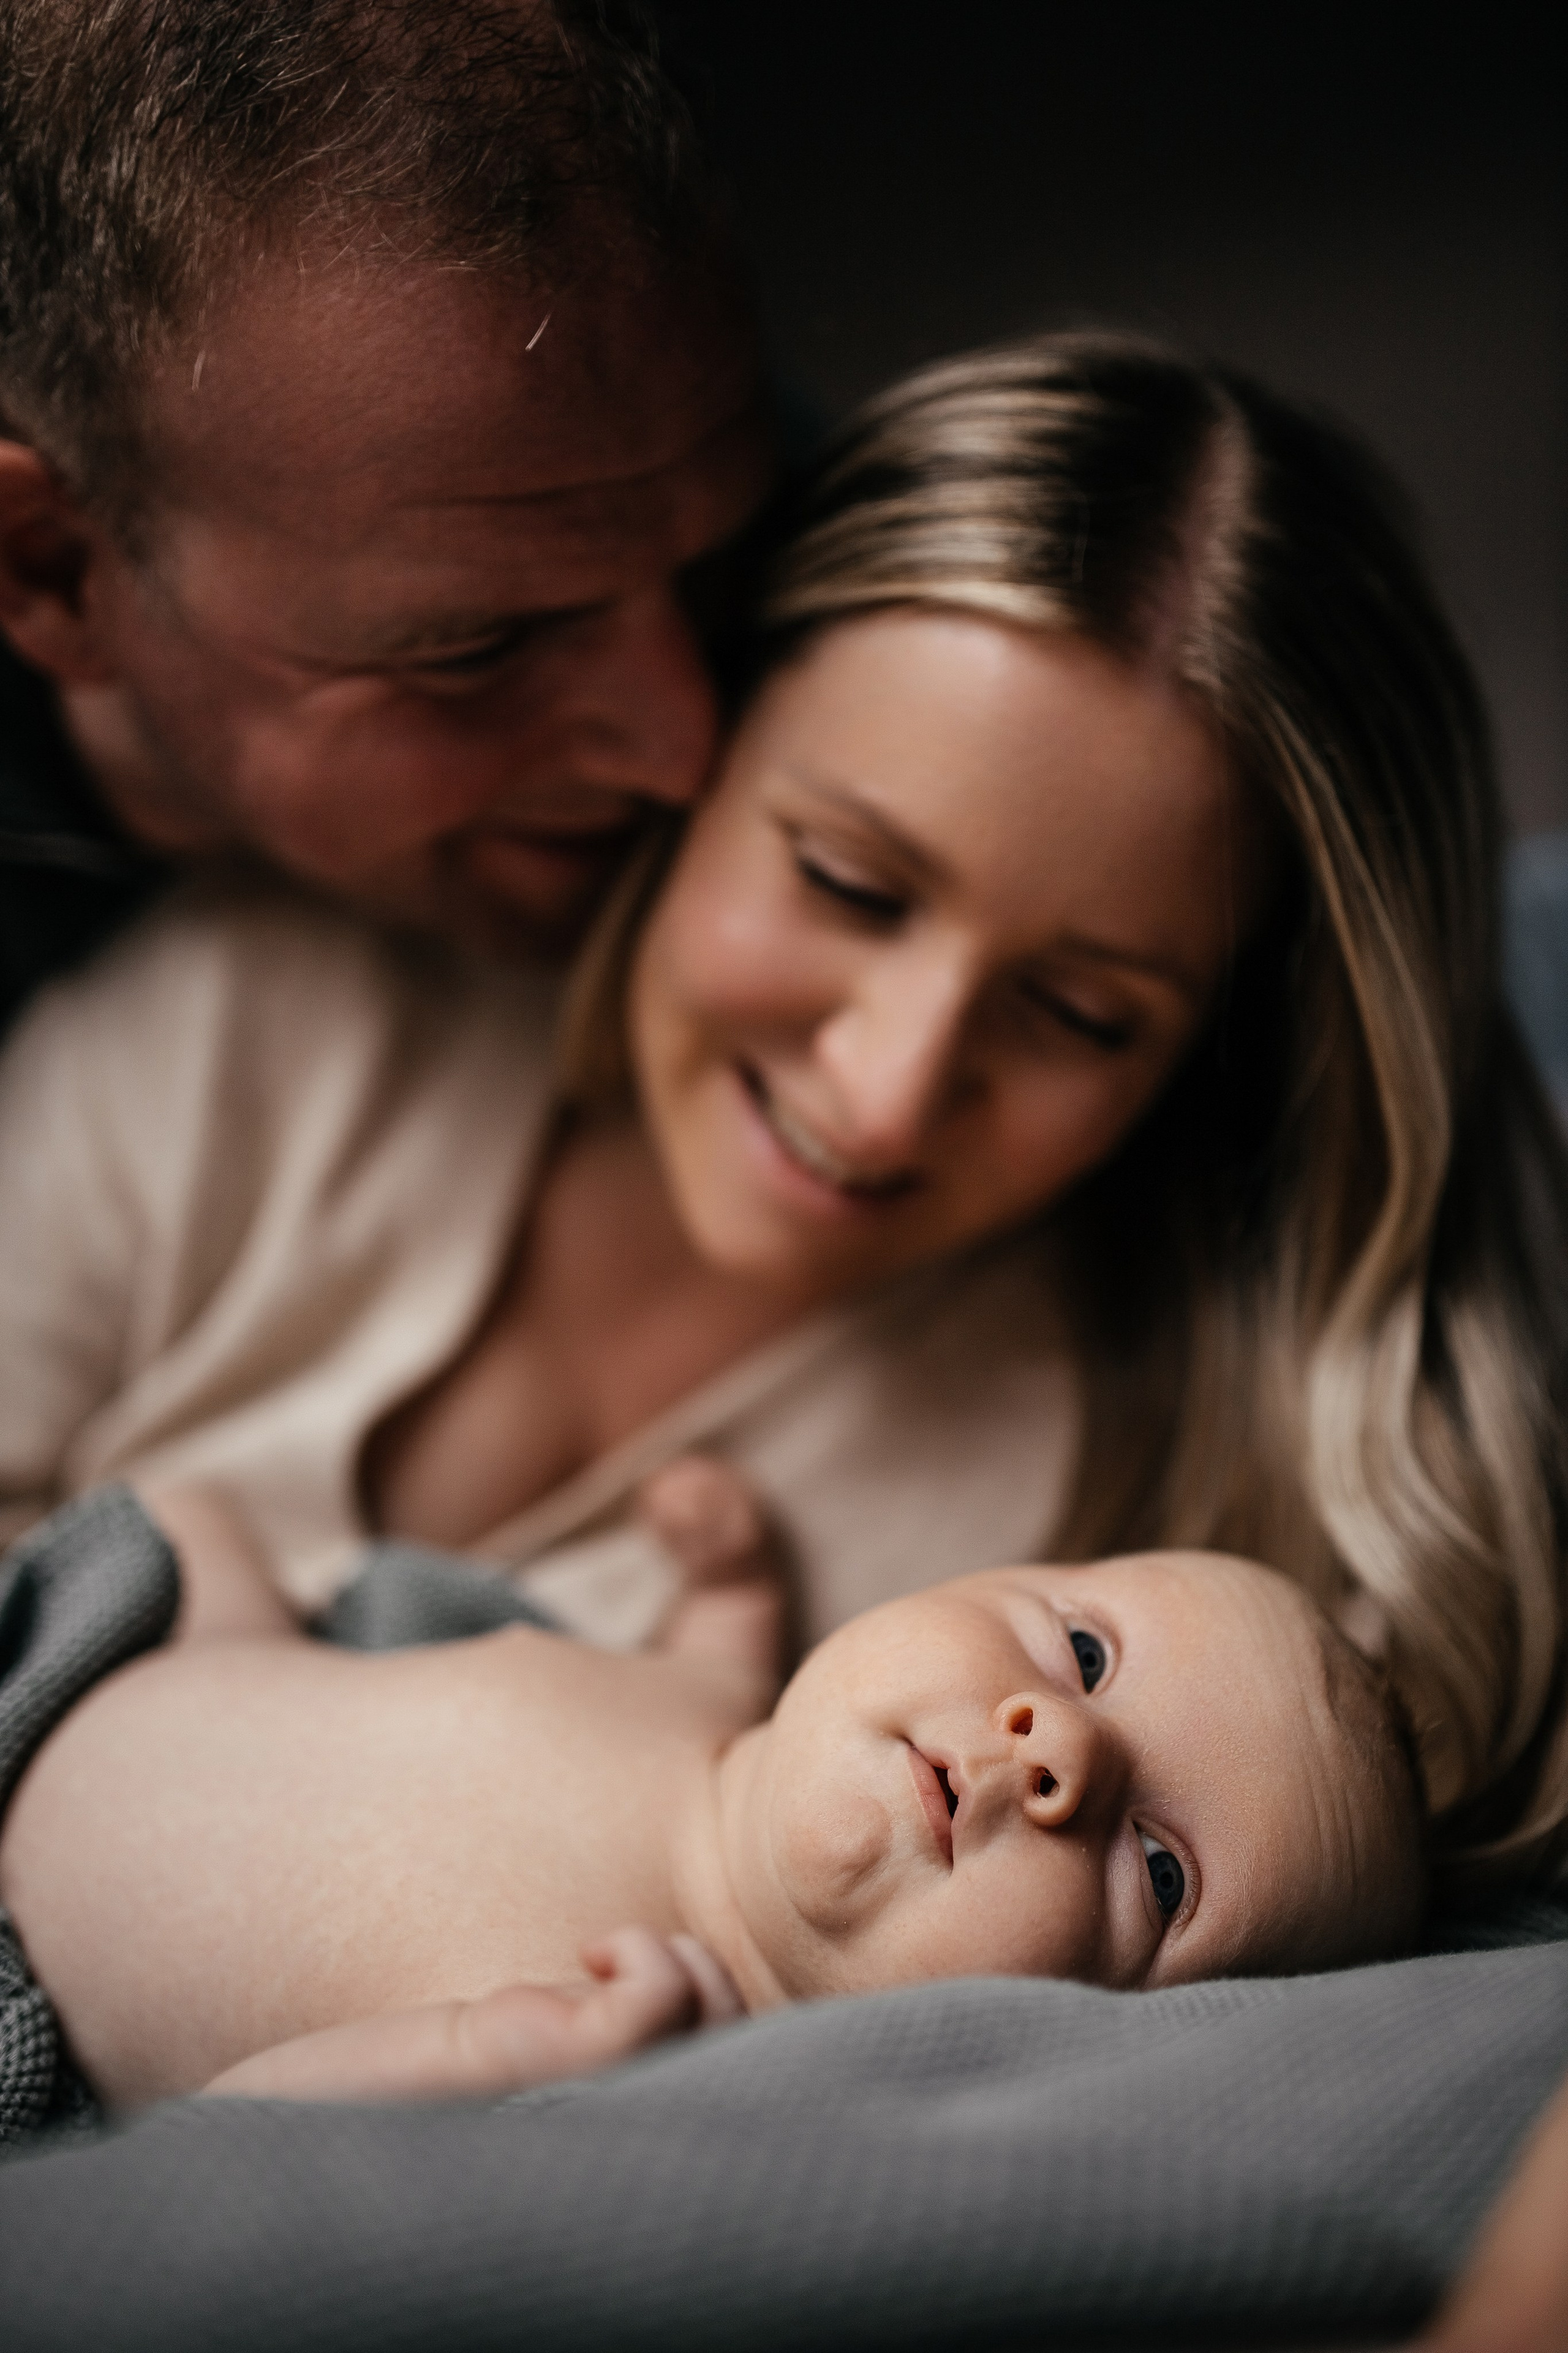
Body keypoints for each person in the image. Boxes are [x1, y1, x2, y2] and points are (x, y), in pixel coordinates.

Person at [2, 332, 1566, 1886]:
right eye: (846, 881)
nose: (883, 1096)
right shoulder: (268, 1011)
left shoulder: (1095, 1555)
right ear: (692, 731)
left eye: (1082, 1014)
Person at [0, 1537, 1425, 2109]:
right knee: (196, 1532)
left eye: (1162, 1872)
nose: (1060, 1750)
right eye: (1087, 1654)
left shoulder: (635, 2052)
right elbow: (726, 1656)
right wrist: (729, 1576)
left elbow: (213, 2165)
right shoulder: (701, 1704)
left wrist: (471, 2056)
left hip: (35, 2000)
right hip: (75, 1655)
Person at [0, 0, 773, 1038]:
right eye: (476, 650)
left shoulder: (688, 477)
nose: (692, 749)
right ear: (53, 575)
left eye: (717, 570)